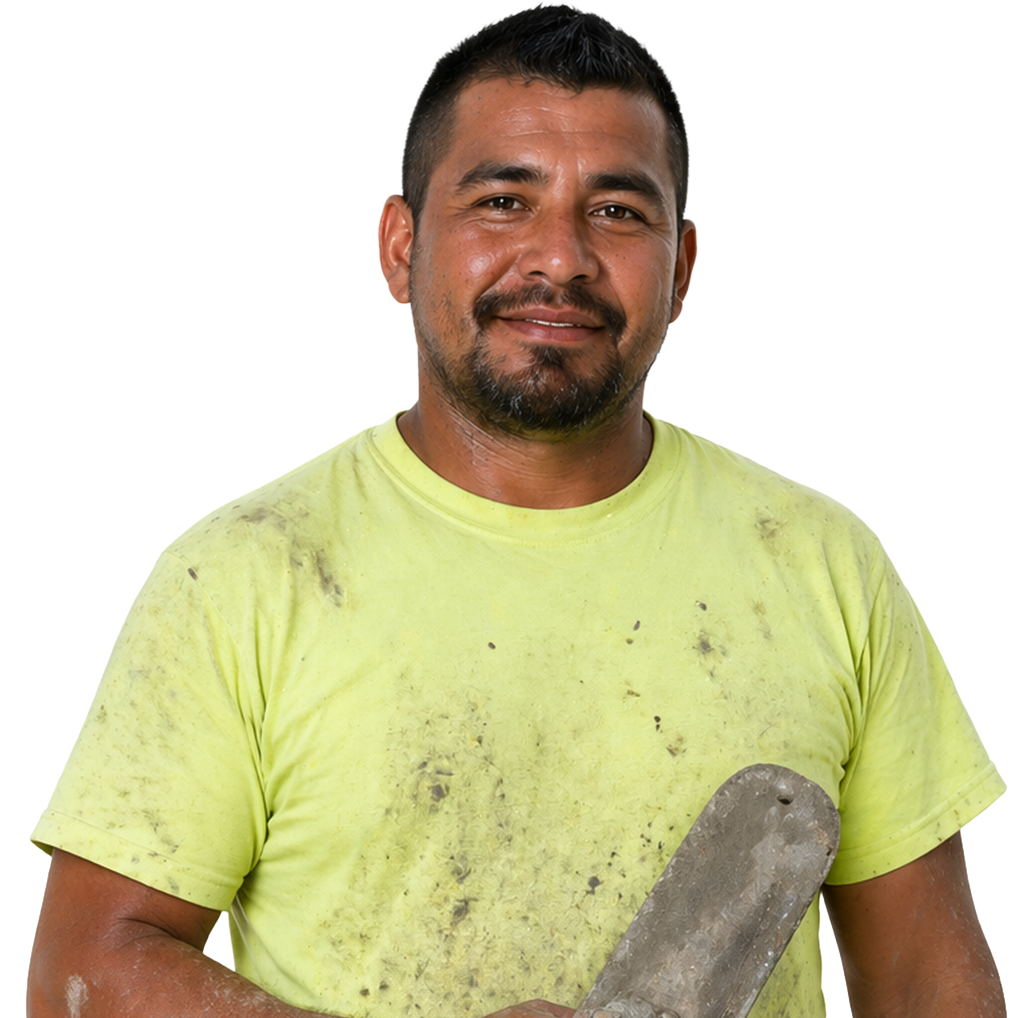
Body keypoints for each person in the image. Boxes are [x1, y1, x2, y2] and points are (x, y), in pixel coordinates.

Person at [27, 6, 1006, 1017]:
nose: (559, 257)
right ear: (401, 245)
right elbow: (81, 971)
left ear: (680, 268)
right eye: (502, 201)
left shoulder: (821, 566)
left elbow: (926, 983)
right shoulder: (244, 577)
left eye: (616, 211)